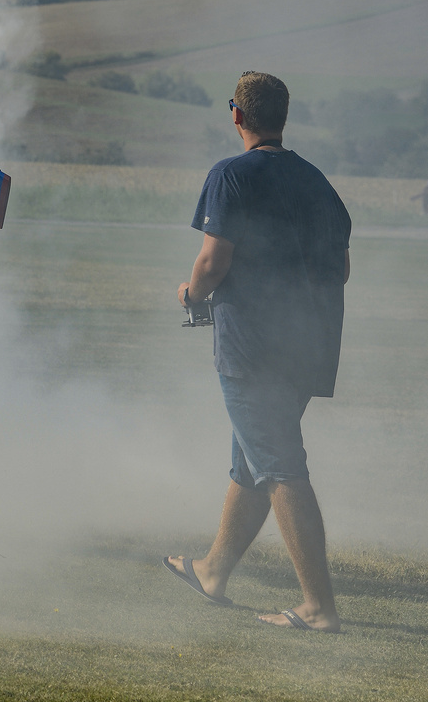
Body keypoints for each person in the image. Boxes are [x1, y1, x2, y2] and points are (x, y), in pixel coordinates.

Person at [165, 71, 351, 633]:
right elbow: (340, 270)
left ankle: (318, 607)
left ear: (237, 115)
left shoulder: (230, 175)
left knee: (279, 467)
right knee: (252, 460)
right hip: (308, 346)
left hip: (252, 349)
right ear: (283, 116)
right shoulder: (318, 182)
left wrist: (190, 294)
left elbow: (212, 262)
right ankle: (213, 571)